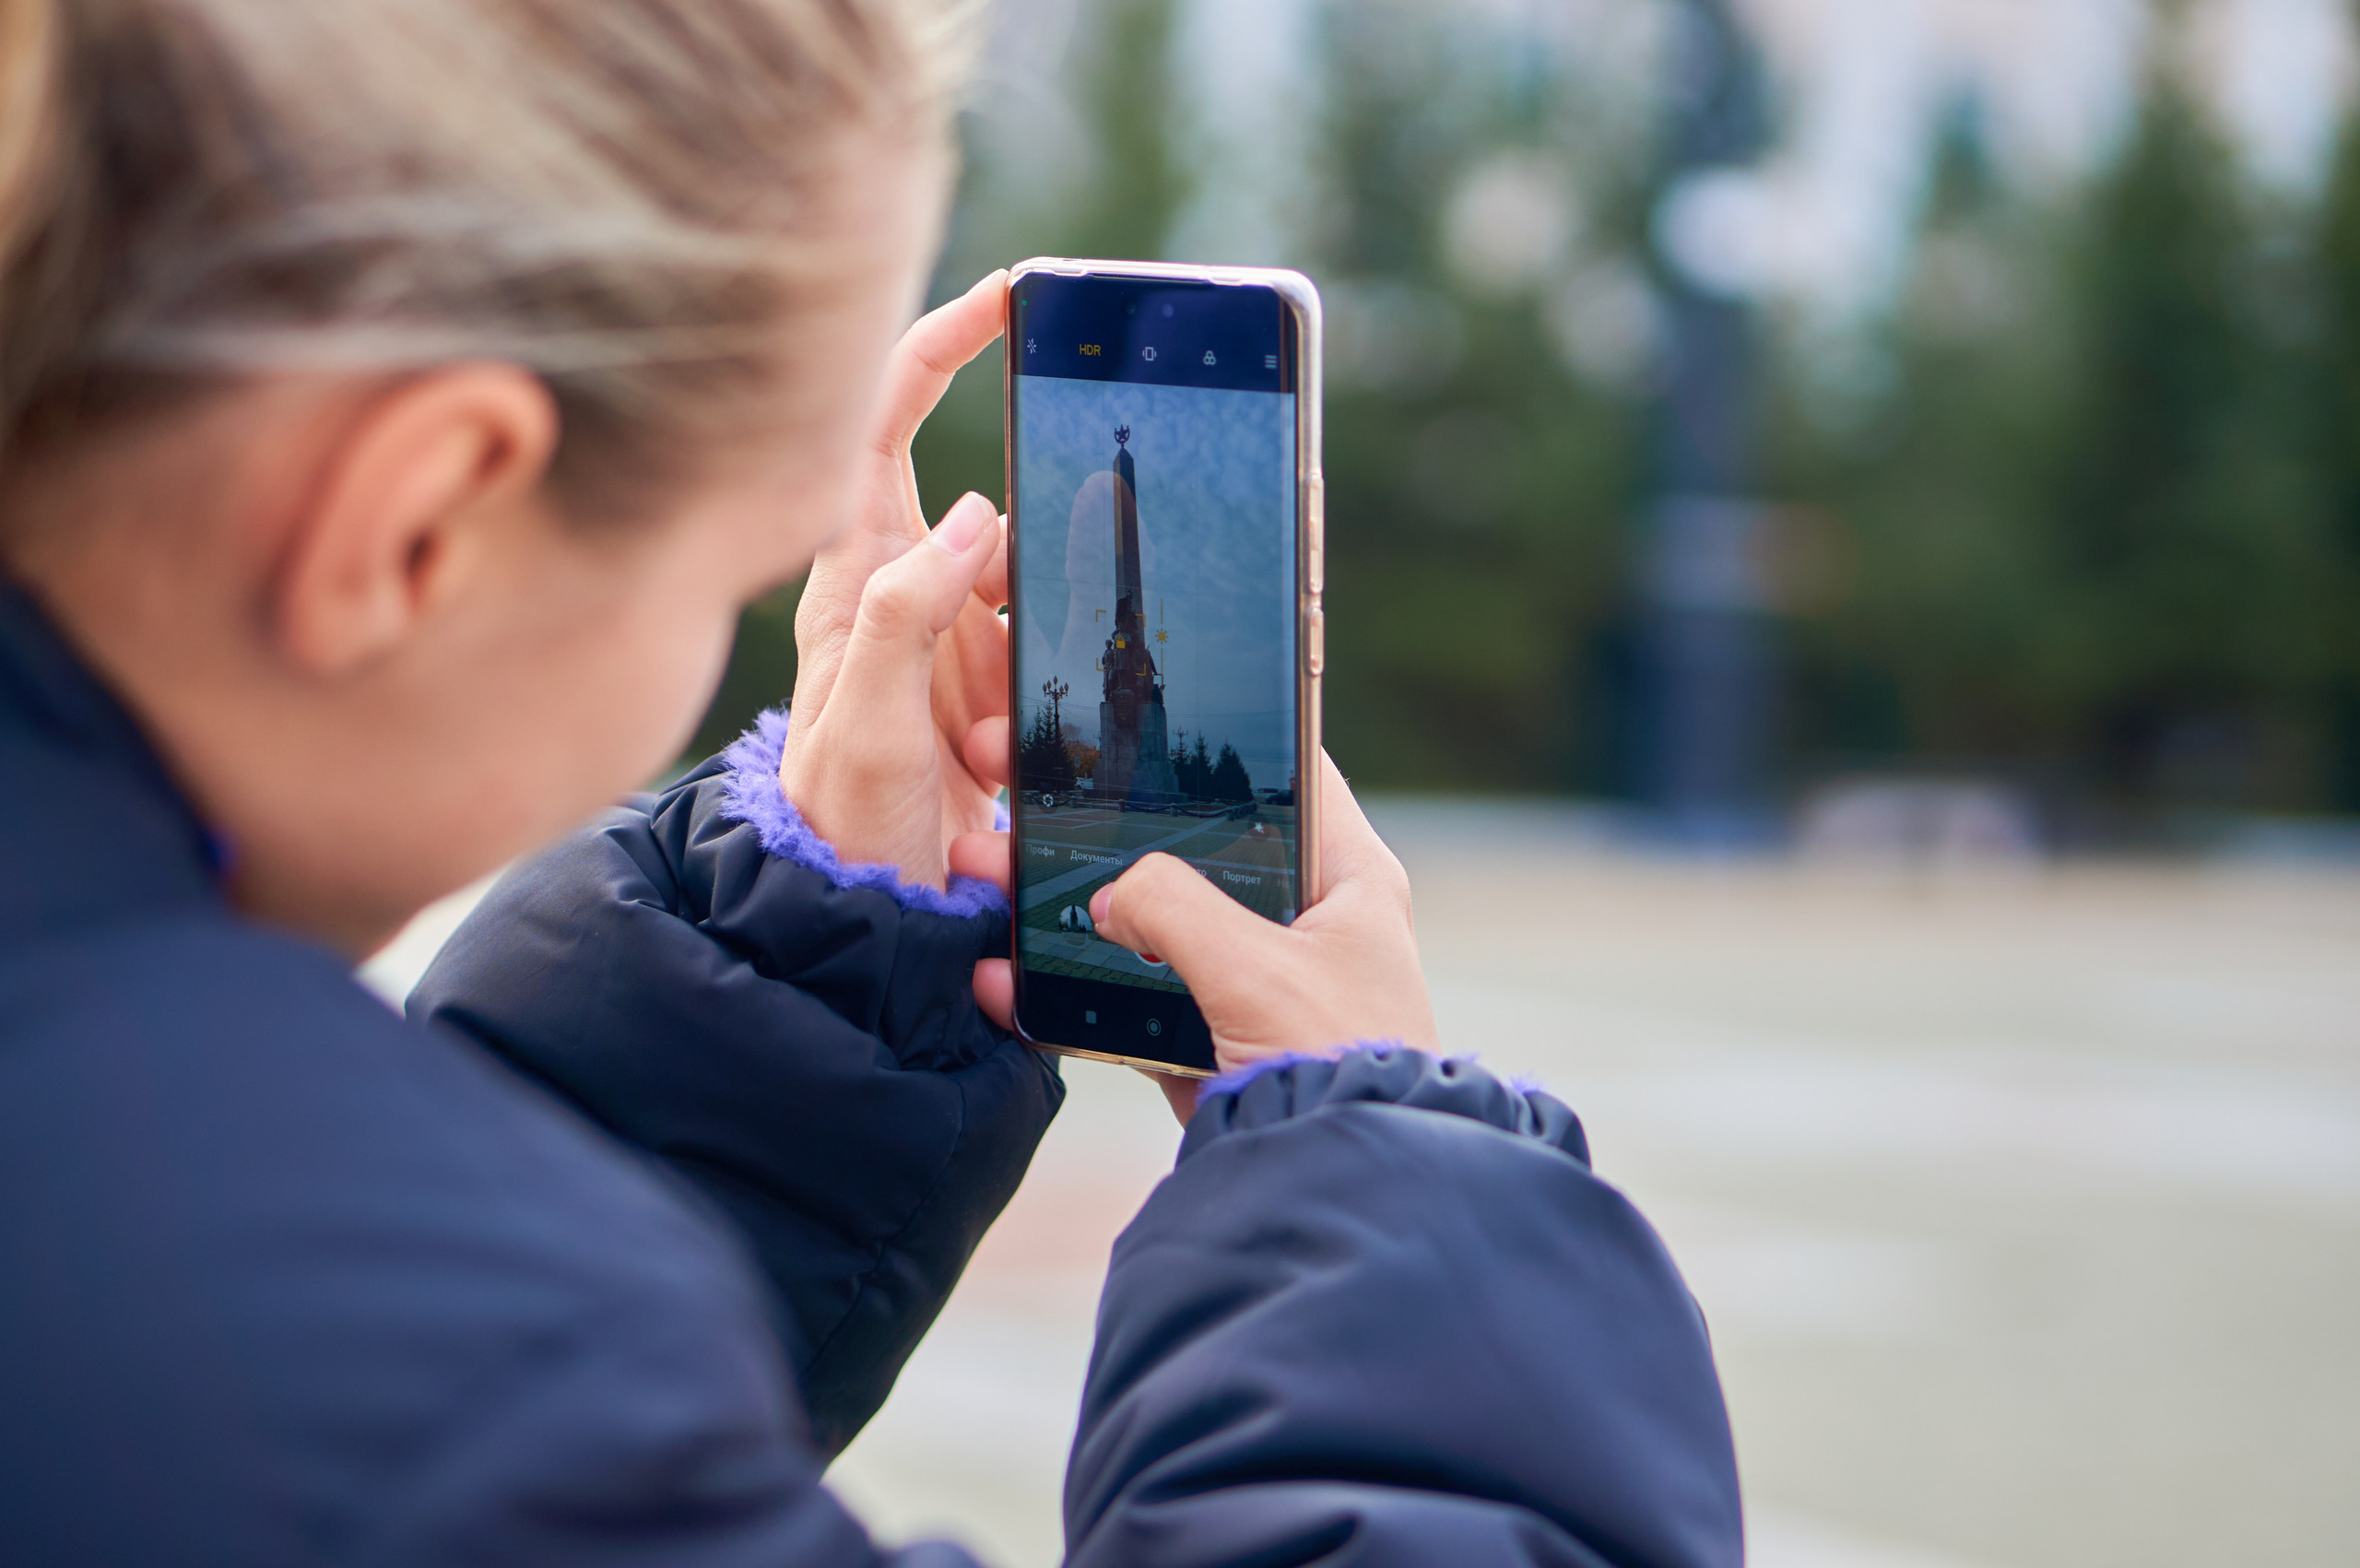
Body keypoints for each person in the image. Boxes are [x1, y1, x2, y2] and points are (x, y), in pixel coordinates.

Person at [0, 0, 1742, 1562]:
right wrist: (1395, 1182)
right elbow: (439, 1404)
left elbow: (379, 1338)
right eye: (740, 570)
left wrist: (793, 952)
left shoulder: (175, 1248)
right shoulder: (410, 1396)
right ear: (416, 524)